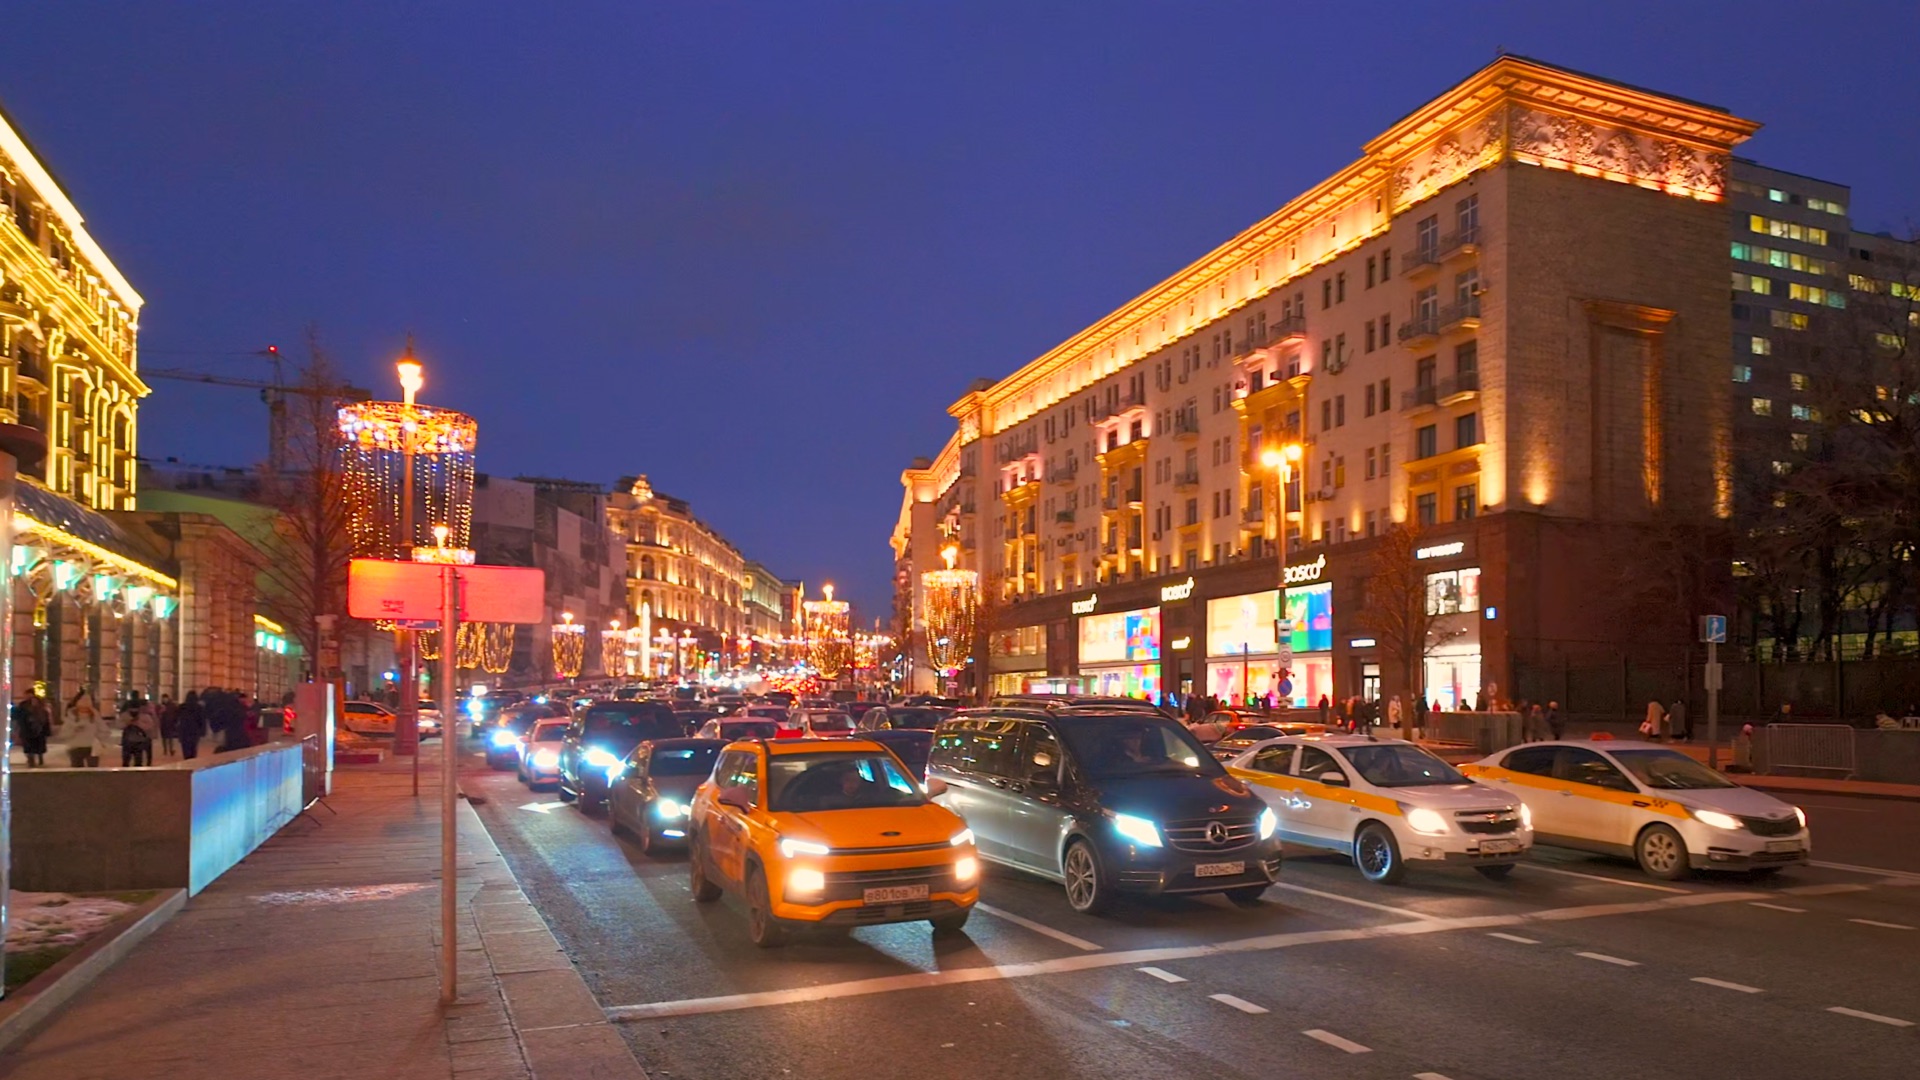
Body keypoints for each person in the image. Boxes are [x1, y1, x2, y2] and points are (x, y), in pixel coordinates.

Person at [14, 693, 51, 767]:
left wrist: (47, 731)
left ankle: (39, 759)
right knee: (29, 747)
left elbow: (46, 721)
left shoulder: (42, 710)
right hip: (28, 731)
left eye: (35, 701)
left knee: (38, 747)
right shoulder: (25, 710)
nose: (34, 702)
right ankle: (31, 760)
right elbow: (21, 720)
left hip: (39, 731)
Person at [175, 690, 207, 760]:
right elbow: (202, 720)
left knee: (185, 750)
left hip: (184, 731)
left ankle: (186, 762)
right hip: (194, 731)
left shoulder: (182, 707)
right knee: (193, 749)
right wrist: (202, 731)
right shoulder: (199, 708)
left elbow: (177, 718)